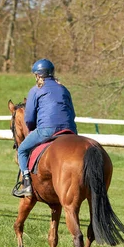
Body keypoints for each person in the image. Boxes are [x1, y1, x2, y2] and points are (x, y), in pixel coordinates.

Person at [12, 59, 78, 198]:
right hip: (70, 130)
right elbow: (72, 113)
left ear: (38, 75)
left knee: (22, 150)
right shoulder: (64, 89)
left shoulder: (36, 90)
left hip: (47, 130)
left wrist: (31, 129)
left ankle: (27, 185)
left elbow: (29, 118)